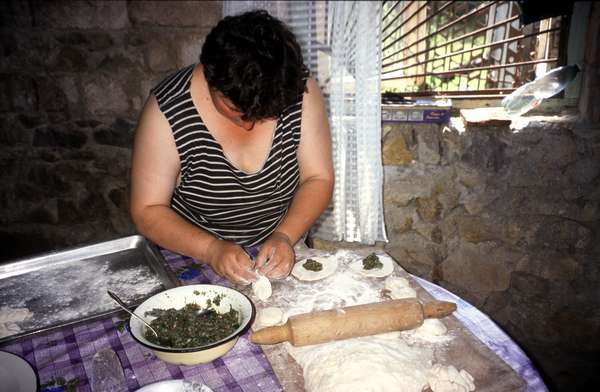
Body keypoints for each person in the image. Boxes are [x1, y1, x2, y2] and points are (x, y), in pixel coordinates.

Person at [130, 10, 334, 285]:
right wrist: (210, 249)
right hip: (193, 253)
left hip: (280, 245)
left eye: (264, 114)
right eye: (235, 110)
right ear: (209, 77)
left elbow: (318, 178)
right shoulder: (168, 110)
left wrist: (285, 235)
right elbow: (148, 209)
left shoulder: (298, 92)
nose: (248, 126)